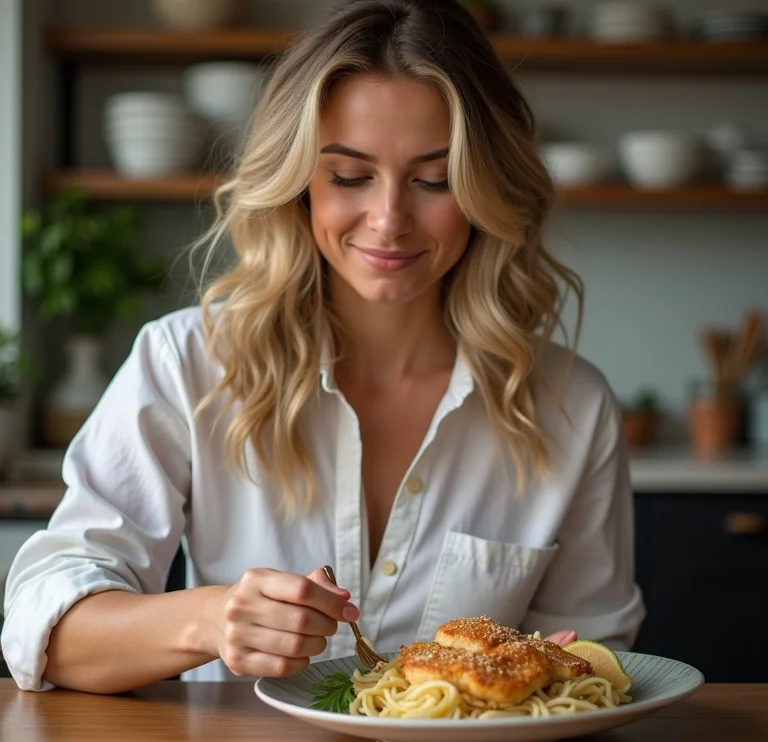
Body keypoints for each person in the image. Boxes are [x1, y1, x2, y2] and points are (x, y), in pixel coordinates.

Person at [1, 0, 644, 694]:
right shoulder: (185, 364)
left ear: (487, 188)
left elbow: (589, 671)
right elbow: (45, 631)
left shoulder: (572, 406)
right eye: (348, 175)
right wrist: (212, 621)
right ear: (298, 182)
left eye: (434, 180)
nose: (389, 219)